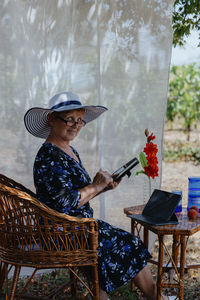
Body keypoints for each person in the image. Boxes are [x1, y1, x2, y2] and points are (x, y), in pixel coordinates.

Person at [24, 92, 167, 300]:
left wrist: (102, 187)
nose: (75, 125)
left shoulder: (68, 149)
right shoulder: (48, 155)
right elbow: (62, 204)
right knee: (128, 242)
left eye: (80, 120)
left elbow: (76, 196)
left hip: (78, 226)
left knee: (117, 241)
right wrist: (95, 185)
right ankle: (155, 297)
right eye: (69, 119)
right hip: (63, 232)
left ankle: (105, 296)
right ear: (52, 119)